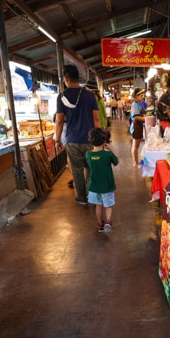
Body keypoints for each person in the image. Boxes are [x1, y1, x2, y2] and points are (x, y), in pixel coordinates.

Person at [54, 64, 101, 205]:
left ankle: (81, 198)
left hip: (72, 140)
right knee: (91, 168)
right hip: (90, 140)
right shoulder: (89, 95)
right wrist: (99, 139)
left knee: (77, 170)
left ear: (66, 78)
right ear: (78, 77)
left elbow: (59, 120)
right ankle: (91, 195)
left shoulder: (61, 96)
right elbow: (96, 119)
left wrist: (57, 140)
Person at [85, 127, 118, 233]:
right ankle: (108, 221)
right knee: (108, 205)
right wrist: (110, 149)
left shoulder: (88, 154)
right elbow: (116, 161)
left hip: (94, 186)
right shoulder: (107, 155)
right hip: (107, 185)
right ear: (104, 141)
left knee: (98, 205)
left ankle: (100, 225)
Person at [129, 88, 146, 168]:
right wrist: (145, 119)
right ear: (136, 96)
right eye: (141, 96)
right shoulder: (134, 104)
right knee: (135, 145)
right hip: (136, 126)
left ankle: (136, 161)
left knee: (137, 145)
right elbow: (135, 117)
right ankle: (135, 162)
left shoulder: (139, 103)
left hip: (139, 125)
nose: (142, 97)